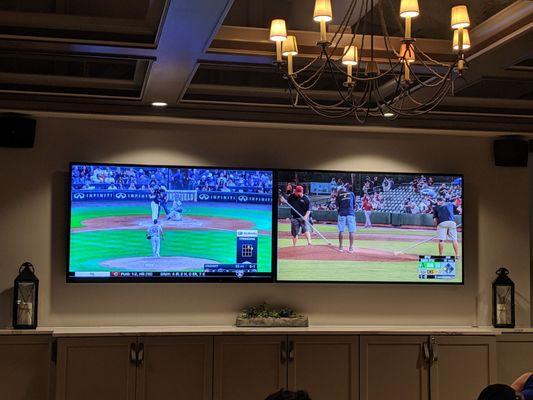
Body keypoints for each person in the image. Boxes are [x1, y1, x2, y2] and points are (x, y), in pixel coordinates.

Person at [335, 185, 356, 253]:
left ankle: (341, 247)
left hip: (342, 214)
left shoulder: (338, 196)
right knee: (351, 231)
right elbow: (353, 205)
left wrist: (340, 212)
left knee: (341, 231)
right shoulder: (351, 193)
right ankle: (351, 247)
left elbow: (337, 208)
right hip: (350, 213)